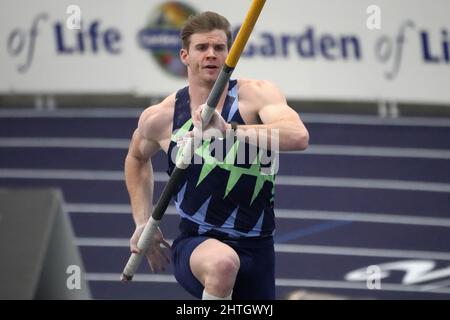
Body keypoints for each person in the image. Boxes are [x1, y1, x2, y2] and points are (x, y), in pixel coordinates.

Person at [125, 11, 309, 300]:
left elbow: (298, 137)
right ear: (185, 56)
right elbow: (136, 158)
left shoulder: (257, 97)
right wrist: (142, 221)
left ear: (230, 53)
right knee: (223, 265)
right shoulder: (163, 117)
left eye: (219, 48)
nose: (211, 54)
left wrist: (230, 131)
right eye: (202, 48)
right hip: (198, 243)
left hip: (258, 248)